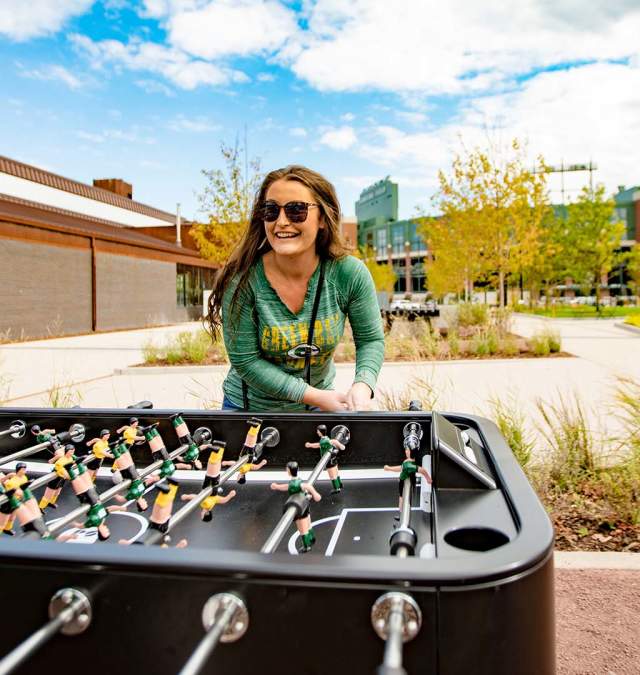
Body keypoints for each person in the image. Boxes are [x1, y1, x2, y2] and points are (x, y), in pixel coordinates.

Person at [207, 165, 385, 412]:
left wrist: (363, 385)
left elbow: (370, 340)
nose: (281, 222)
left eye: (296, 210)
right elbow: (246, 361)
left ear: (323, 217)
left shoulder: (349, 274)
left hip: (317, 407)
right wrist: (316, 397)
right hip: (248, 411)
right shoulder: (243, 279)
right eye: (271, 210)